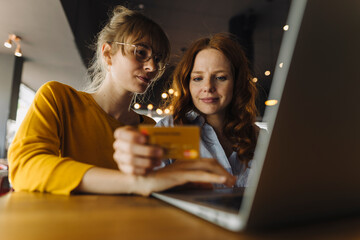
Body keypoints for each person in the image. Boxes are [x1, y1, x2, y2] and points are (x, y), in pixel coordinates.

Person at [8, 6, 235, 196]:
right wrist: (134, 183)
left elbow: (161, 188)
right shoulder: (58, 98)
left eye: (157, 59)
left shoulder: (151, 128)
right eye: (140, 52)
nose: (152, 67)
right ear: (108, 54)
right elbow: (24, 167)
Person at [116, 33, 259, 188]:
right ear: (187, 84)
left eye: (220, 77)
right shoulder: (170, 129)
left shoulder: (259, 138)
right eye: (198, 78)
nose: (208, 87)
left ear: (236, 83)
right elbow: (148, 190)